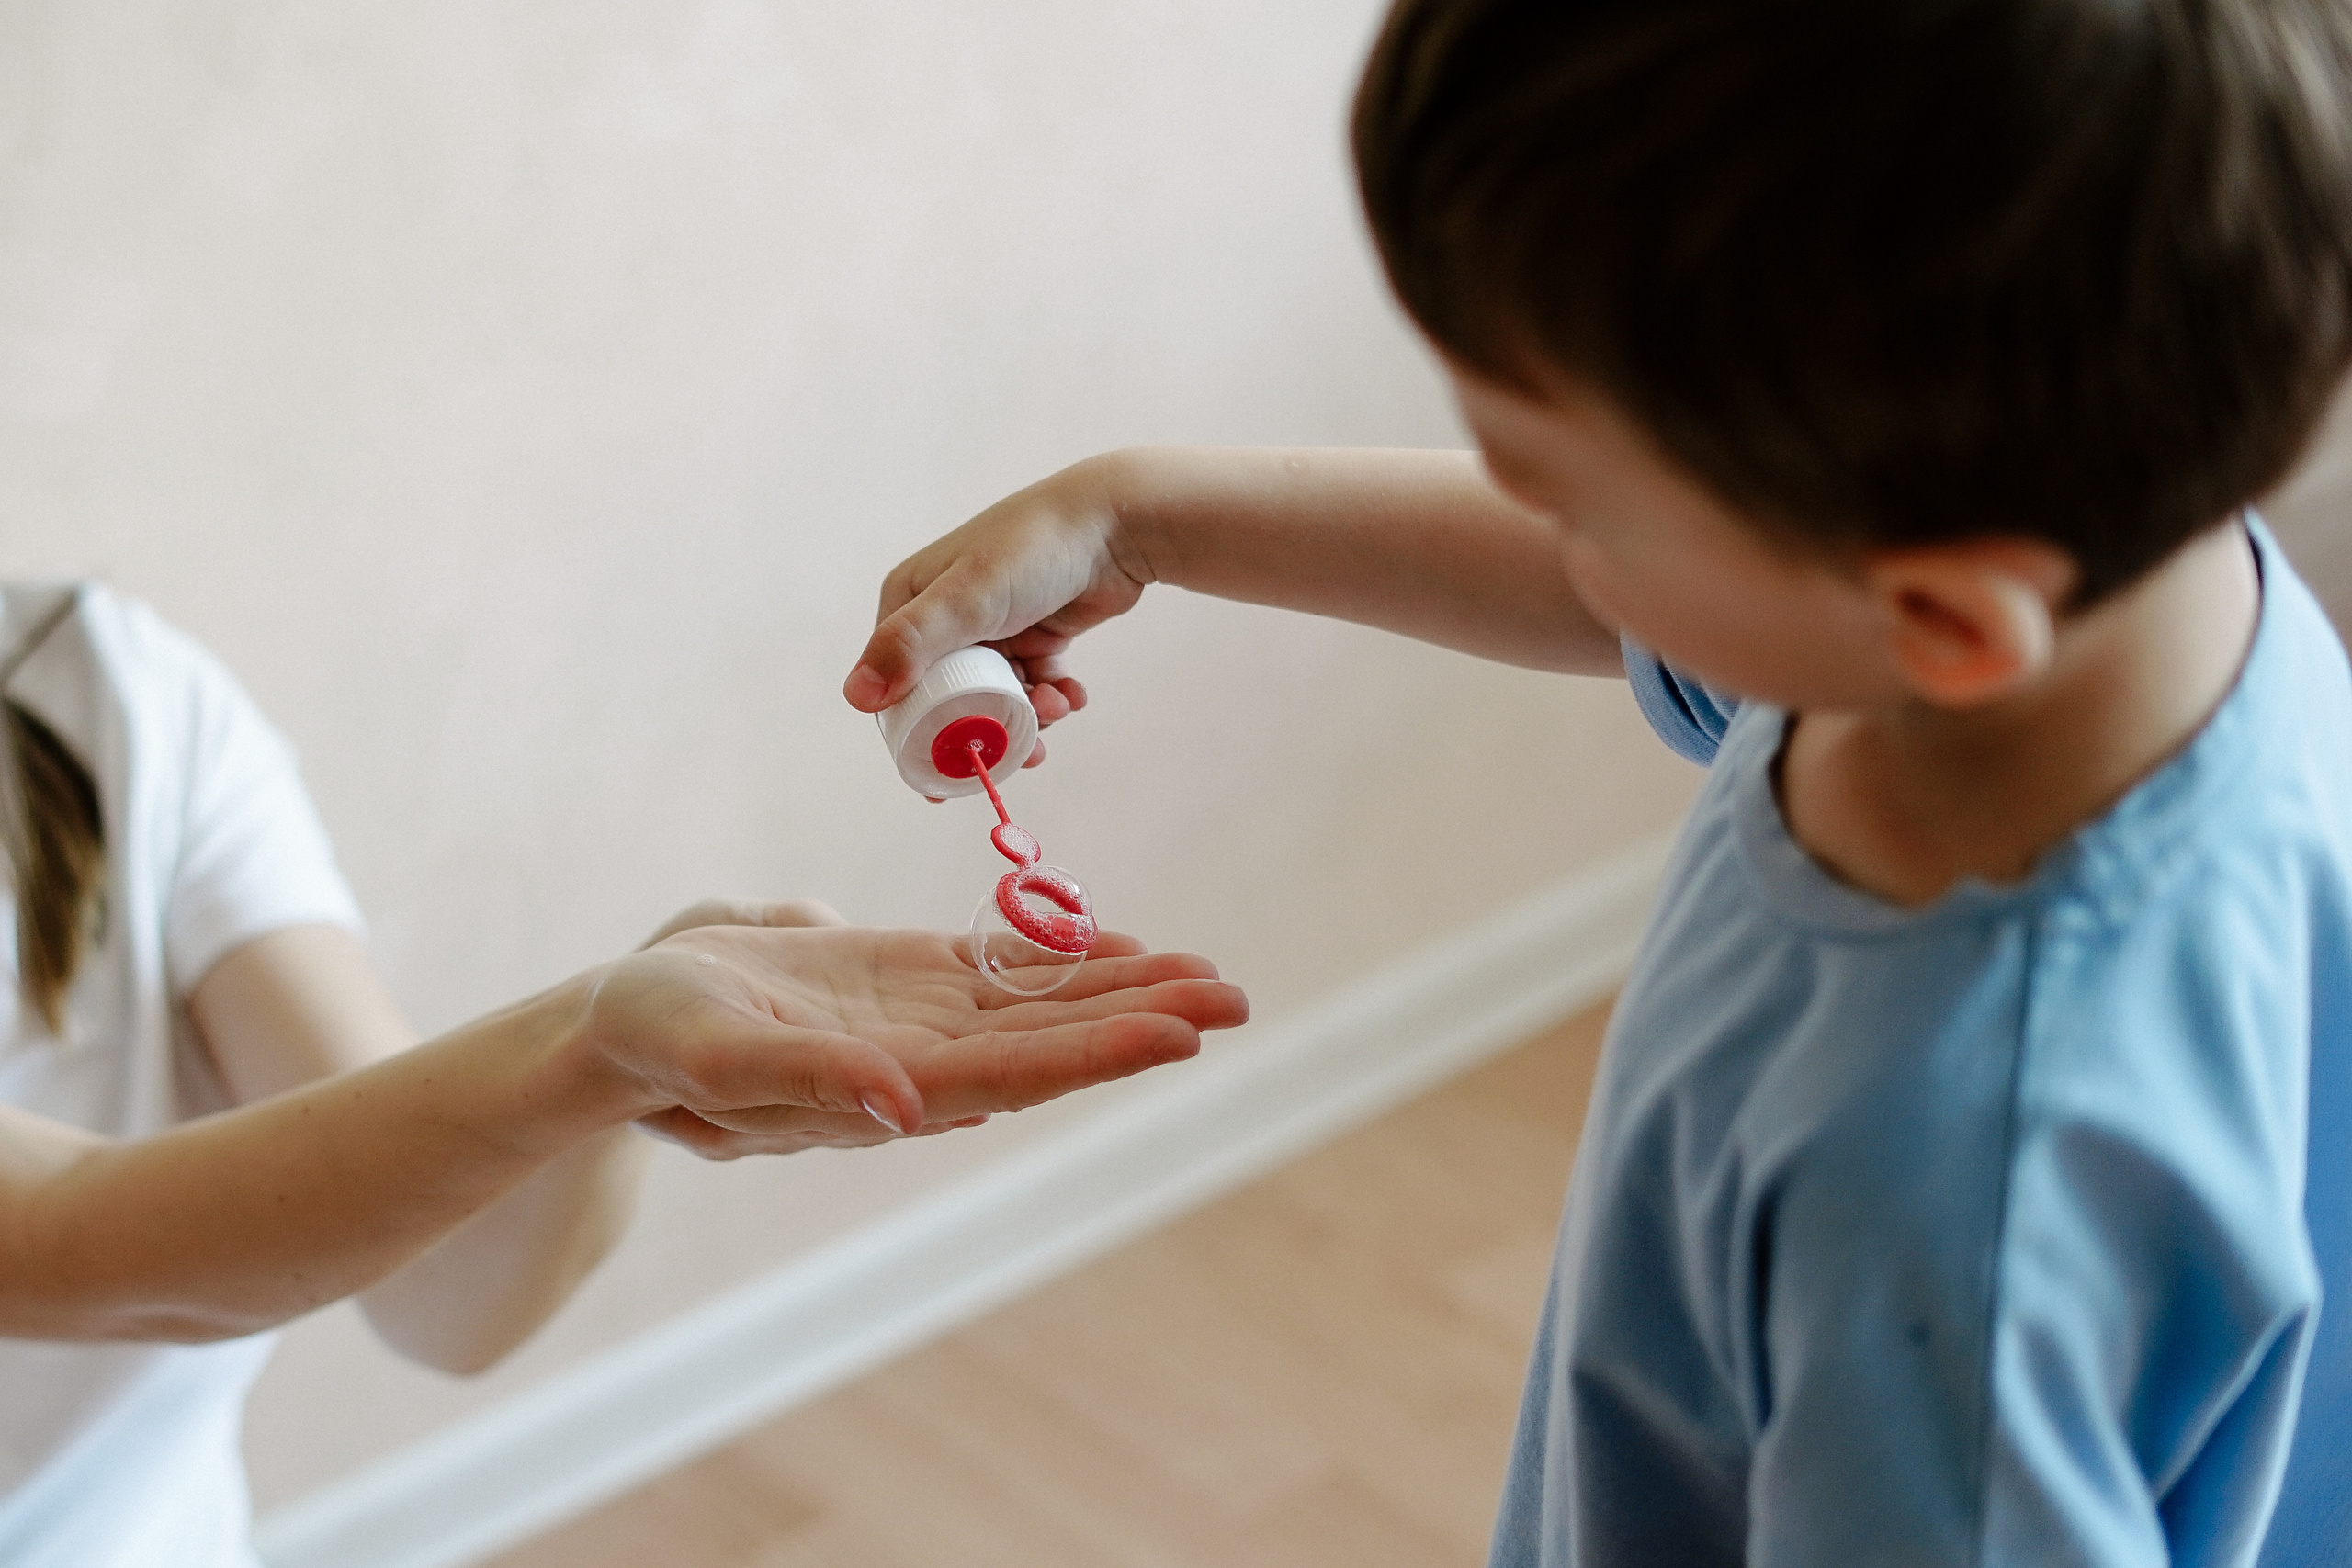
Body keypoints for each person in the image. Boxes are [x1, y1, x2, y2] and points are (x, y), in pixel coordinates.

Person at [842, 0, 2352, 1561]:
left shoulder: (1951, 1194)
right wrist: (1140, 515)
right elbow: (1636, 592)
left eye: (1570, 497)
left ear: (1944, 615)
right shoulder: (2114, 607)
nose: (1549, 531)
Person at [0, 581, 1247, 1568]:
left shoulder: (115, 696)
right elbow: (75, 1242)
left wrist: (622, 1072)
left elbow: (446, 1290)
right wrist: (591, 1037)